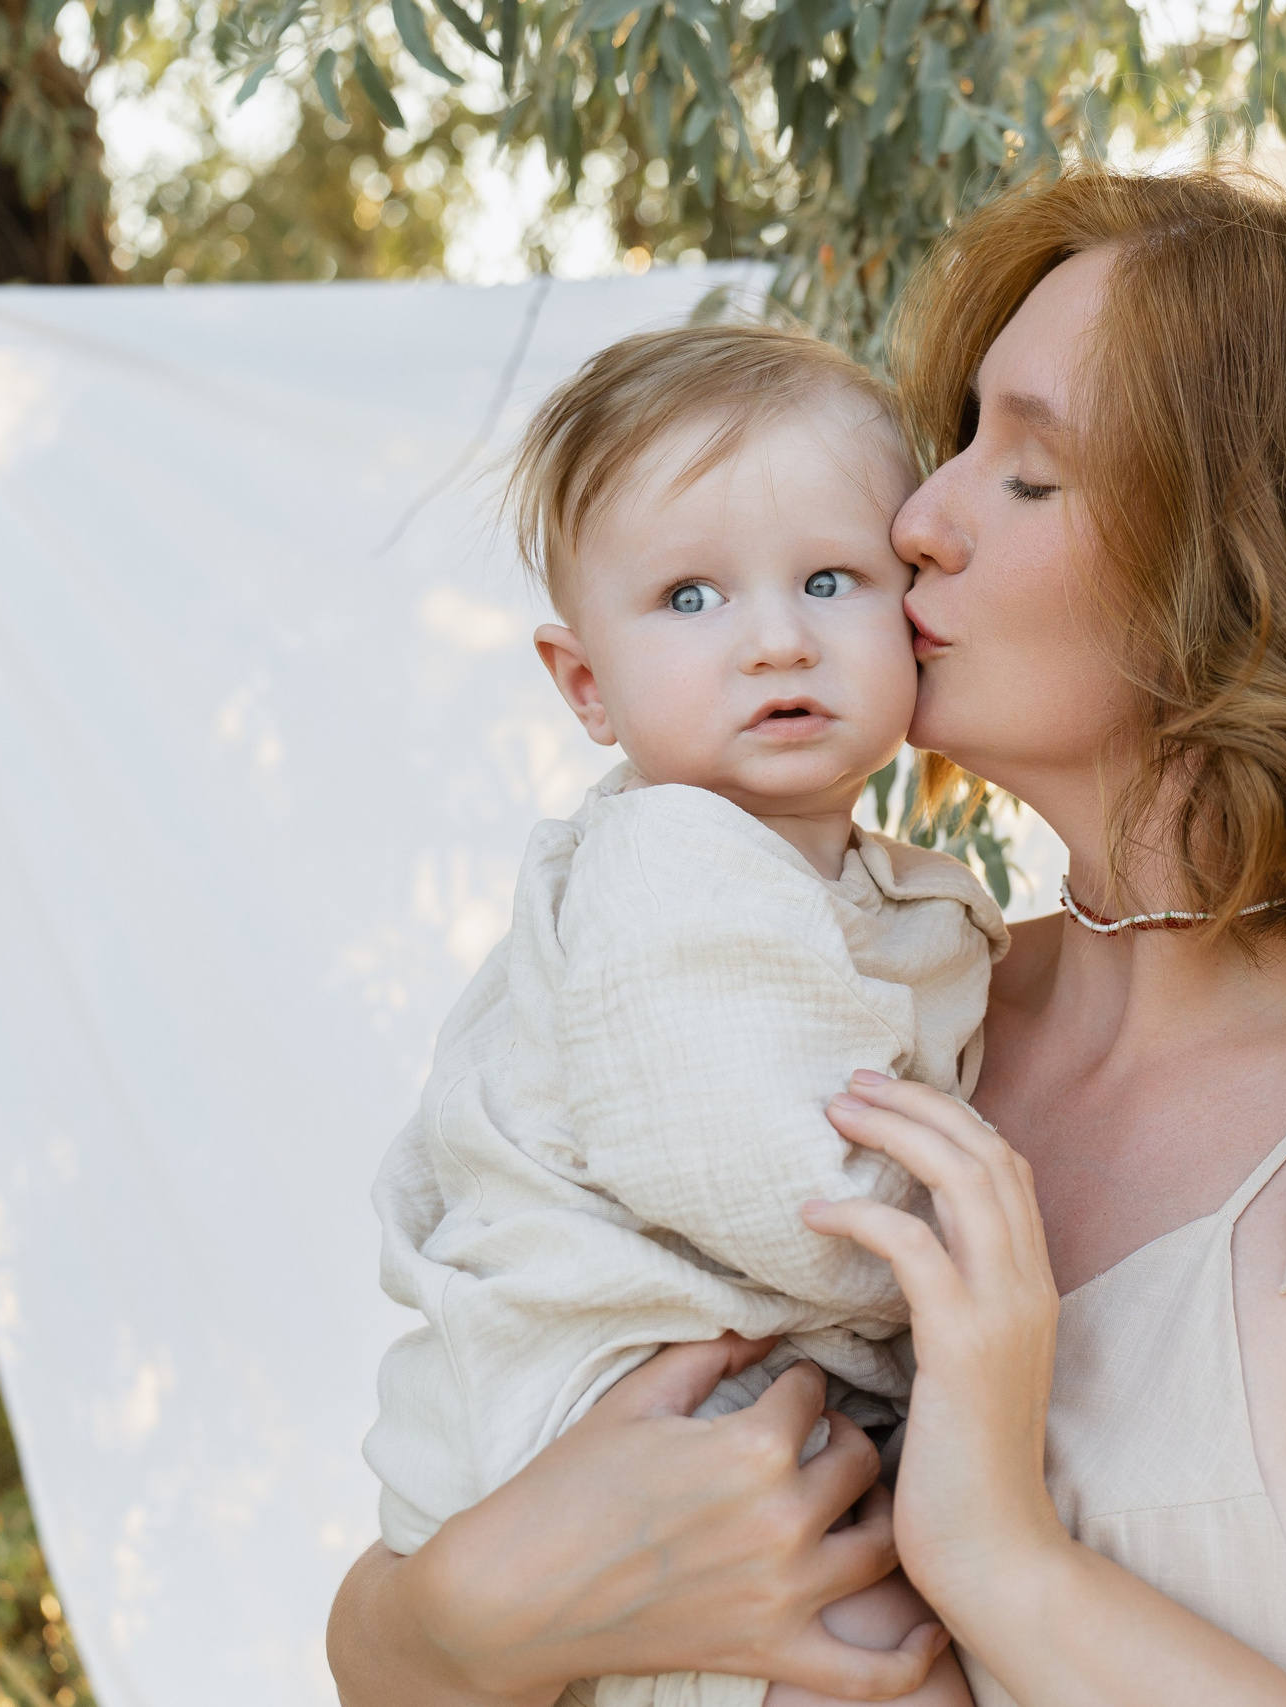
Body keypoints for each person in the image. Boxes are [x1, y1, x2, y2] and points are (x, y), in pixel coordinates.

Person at [330, 165, 1286, 1707]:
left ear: (1257, 571)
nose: (916, 519)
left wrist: (1003, 1560)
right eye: (956, 440)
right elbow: (386, 1640)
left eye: (1026, 475)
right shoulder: (854, 1000)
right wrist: (470, 1612)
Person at [363, 323, 994, 1707]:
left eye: (829, 579)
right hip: (627, 1408)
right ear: (585, 684)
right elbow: (785, 1206)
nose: (776, 639)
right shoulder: (673, 866)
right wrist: (968, 1240)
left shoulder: (819, 877)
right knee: (888, 1665)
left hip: (682, 1394)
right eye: (690, 598)